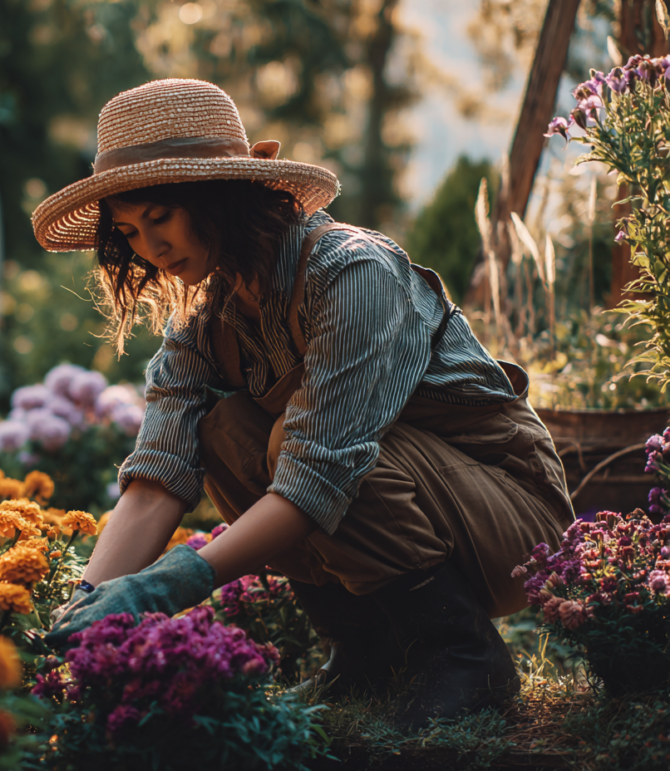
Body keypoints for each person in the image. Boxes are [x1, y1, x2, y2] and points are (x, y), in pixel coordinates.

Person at [32, 79, 574, 728]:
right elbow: (157, 477)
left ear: (220, 195)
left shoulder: (353, 273)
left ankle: (463, 653)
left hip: (515, 524)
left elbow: (320, 473)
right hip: (407, 500)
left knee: (301, 435)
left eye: (160, 217)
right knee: (226, 432)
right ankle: (365, 646)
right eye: (129, 230)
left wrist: (170, 583)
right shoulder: (208, 319)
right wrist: (88, 607)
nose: (150, 248)